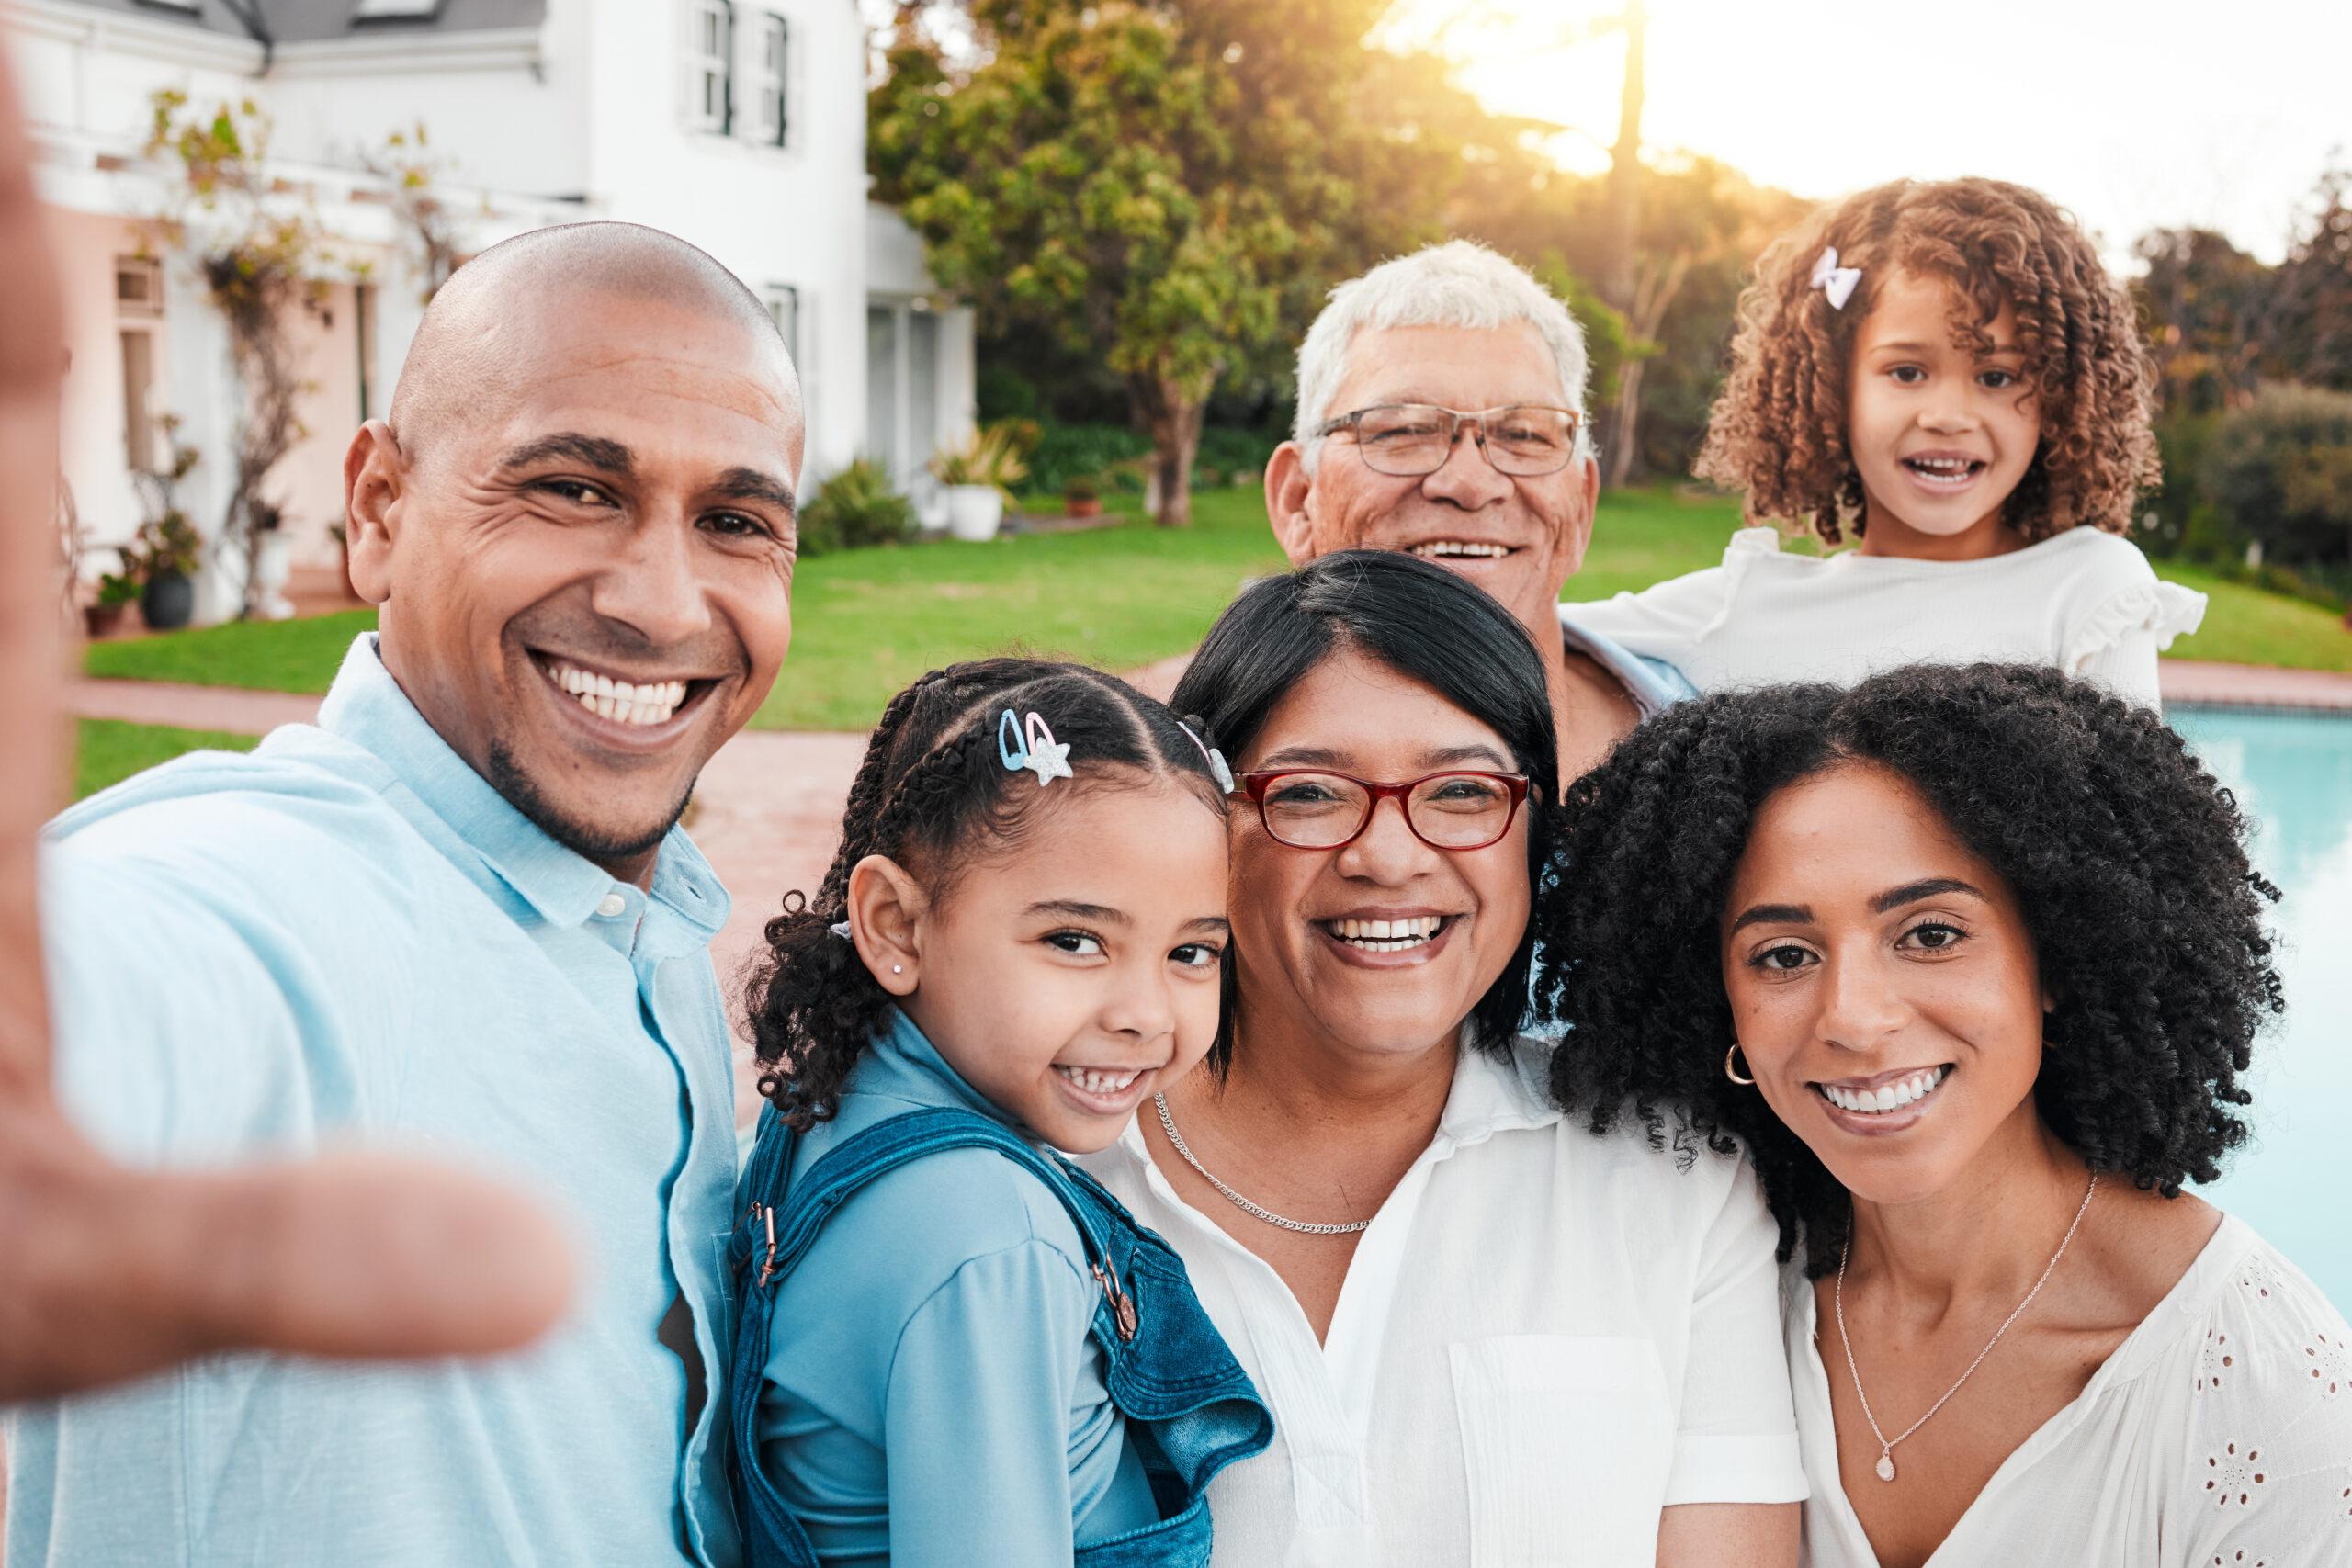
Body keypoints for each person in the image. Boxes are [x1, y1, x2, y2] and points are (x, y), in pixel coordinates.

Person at [6, 210, 804, 1563]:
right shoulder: (255, 891)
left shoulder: (641, 920)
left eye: (734, 520)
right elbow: (113, 982)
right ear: (379, 506)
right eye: (572, 487)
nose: (666, 603)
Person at [1083, 549, 1805, 1566]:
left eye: (1462, 791)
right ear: (1208, 821)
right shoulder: (1055, 1175)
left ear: (1533, 834)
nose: (1387, 855)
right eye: (1312, 792)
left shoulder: (1674, 1176)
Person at [1544, 663, 2352, 1567]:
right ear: (1712, 999)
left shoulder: (2268, 1396)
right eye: (1781, 955)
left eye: (1930, 934)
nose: (1851, 1017)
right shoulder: (1713, 1287)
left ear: (2054, 959)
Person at [730, 658, 1271, 1566]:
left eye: (1192, 952)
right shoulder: (991, 1235)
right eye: (1074, 940)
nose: (1143, 1011)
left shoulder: (829, 1111)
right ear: (895, 926)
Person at [1568, 179, 2204, 709]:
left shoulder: (2089, 589)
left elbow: (2141, 844)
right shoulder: (1738, 607)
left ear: (2059, 399)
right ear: (1831, 387)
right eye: (1906, 372)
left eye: (1996, 376)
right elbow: (1517, 634)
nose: (1949, 416)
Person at [1261, 240, 1693, 782]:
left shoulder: (1730, 759)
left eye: (1524, 434)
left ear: (1582, 507)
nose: (1470, 485)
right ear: (1299, 499)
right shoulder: (1188, 786)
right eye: (1404, 429)